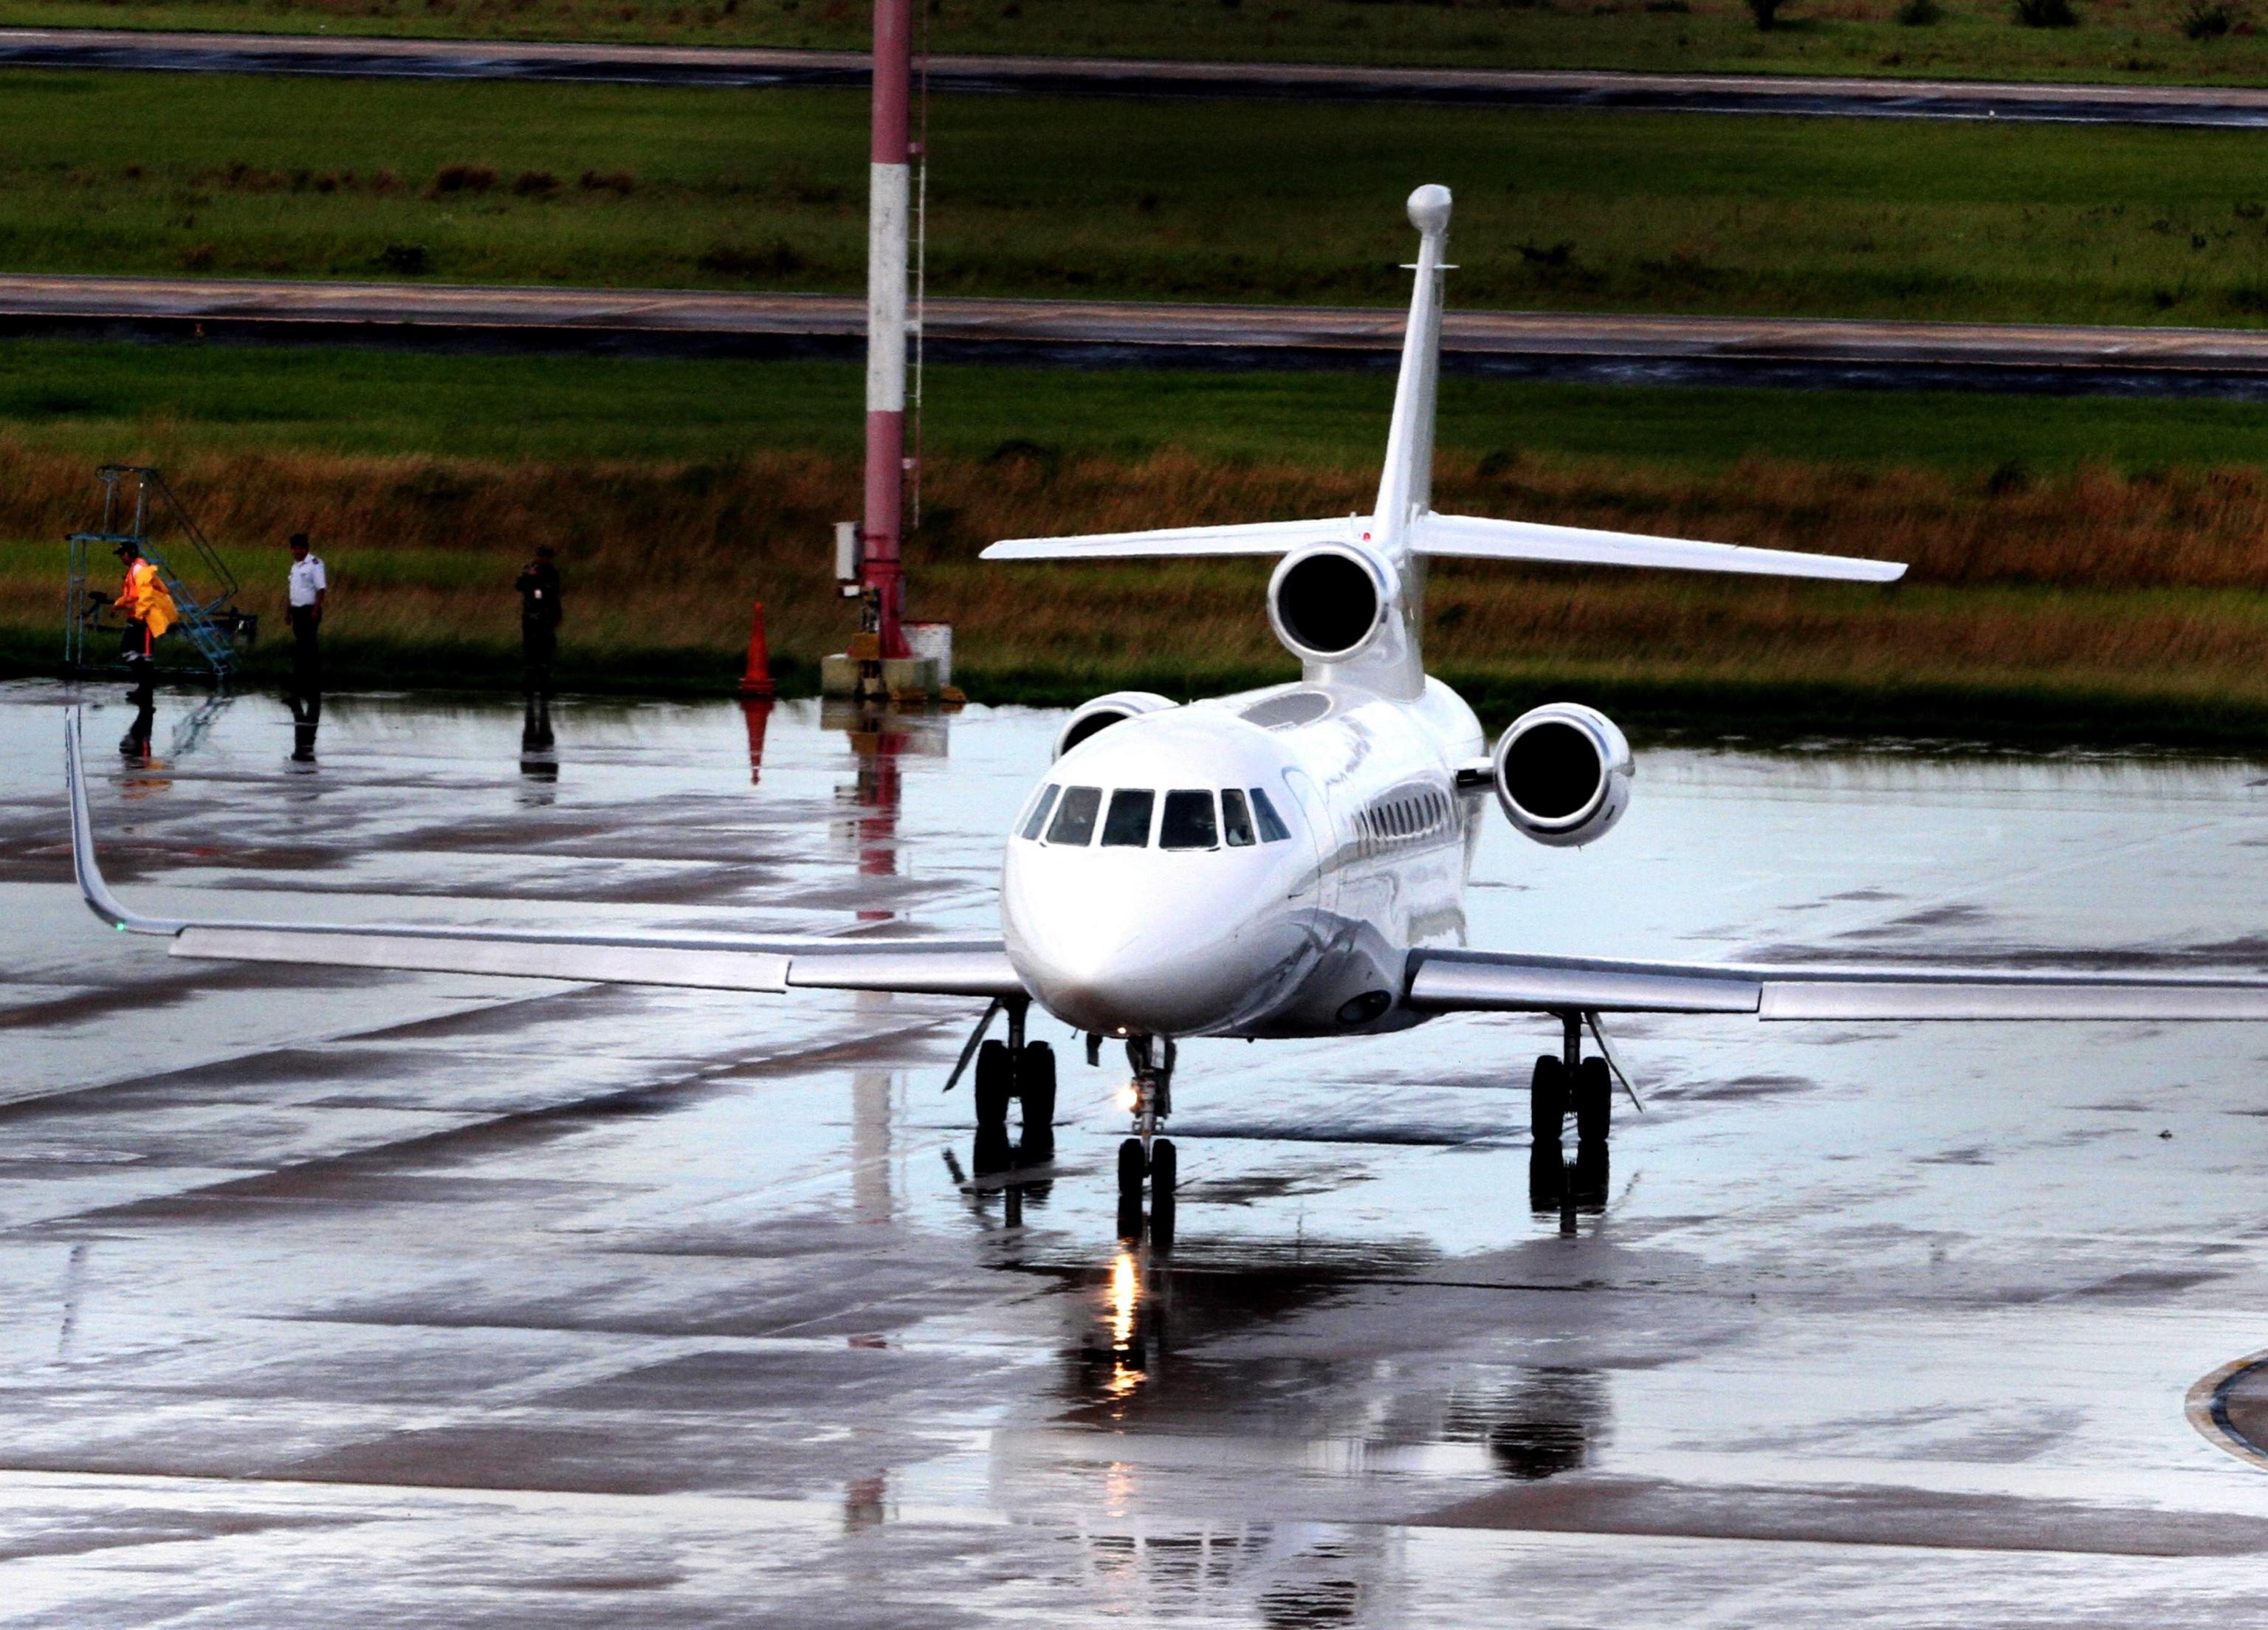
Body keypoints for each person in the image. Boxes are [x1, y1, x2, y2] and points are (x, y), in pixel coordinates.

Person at [111, 541, 178, 696]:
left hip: (143, 619)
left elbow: (146, 595)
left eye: (123, 554)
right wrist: (118, 605)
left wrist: (140, 615)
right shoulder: (136, 569)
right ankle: (145, 688)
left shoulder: (139, 569)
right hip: (139, 617)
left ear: (131, 553)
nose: (121, 558)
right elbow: (132, 595)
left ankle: (147, 686)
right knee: (143, 655)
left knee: (130, 650)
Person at [515, 545, 563, 695]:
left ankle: (545, 686)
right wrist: (527, 576)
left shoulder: (553, 572)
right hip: (530, 615)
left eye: (546, 557)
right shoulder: (530, 569)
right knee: (530, 650)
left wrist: (557, 615)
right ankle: (528, 686)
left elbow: (554, 594)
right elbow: (519, 586)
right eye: (541, 556)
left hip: (546, 616)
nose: (543, 559)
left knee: (546, 650)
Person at [286, 532, 327, 692]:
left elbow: (321, 589)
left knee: (309, 646)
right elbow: (292, 591)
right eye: (294, 549)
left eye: (299, 549)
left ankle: (313, 681)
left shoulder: (315, 564)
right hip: (296, 611)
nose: (296, 552)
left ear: (306, 549)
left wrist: (316, 610)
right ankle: (298, 682)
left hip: (309, 611)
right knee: (300, 645)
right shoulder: (295, 566)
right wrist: (287, 612)